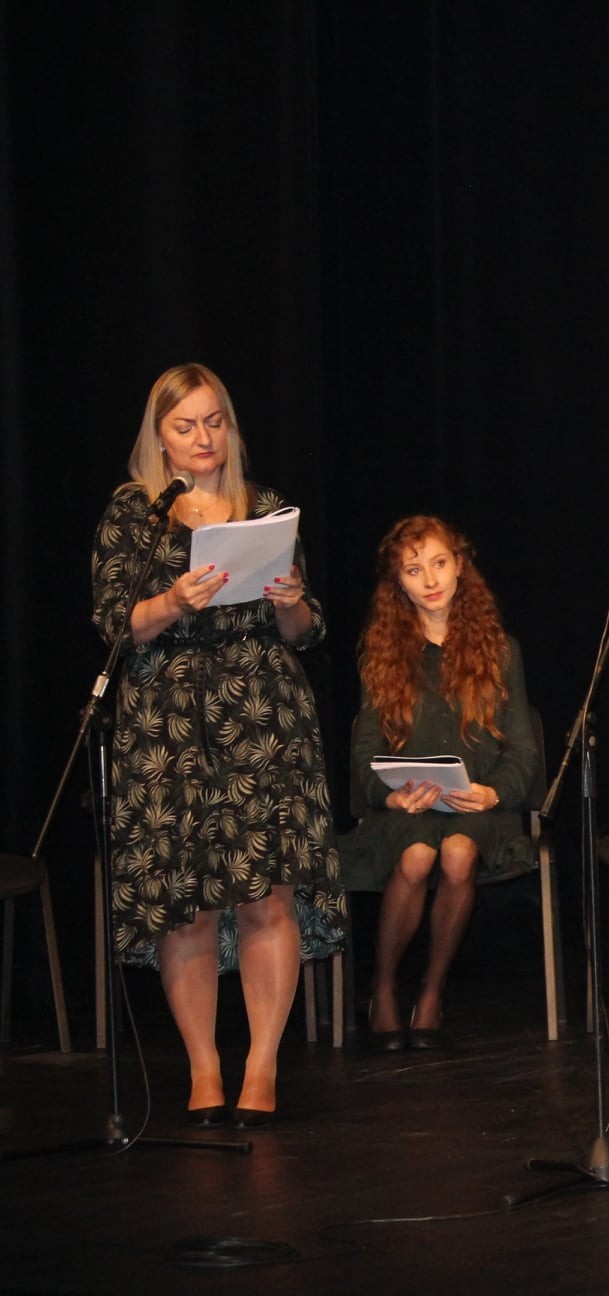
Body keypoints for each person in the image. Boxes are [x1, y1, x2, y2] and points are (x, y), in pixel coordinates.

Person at [90, 363, 342, 1128]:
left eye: (214, 421)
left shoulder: (264, 508)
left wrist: (292, 602)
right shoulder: (135, 513)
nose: (202, 438)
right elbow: (114, 622)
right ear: (158, 437)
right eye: (185, 425)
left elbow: (307, 630)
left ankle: (262, 1067)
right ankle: (204, 1069)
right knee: (186, 904)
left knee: (267, 892)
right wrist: (172, 600)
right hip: (166, 727)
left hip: (263, 720)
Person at [346, 517, 539, 1051]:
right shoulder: (383, 654)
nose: (430, 580)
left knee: (456, 853)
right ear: (398, 583)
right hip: (407, 809)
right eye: (414, 570)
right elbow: (365, 751)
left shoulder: (500, 650)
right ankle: (384, 986)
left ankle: (432, 990)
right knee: (416, 857)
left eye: (439, 563)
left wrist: (493, 792)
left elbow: (523, 749)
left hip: (476, 806)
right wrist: (390, 794)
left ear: (459, 566)